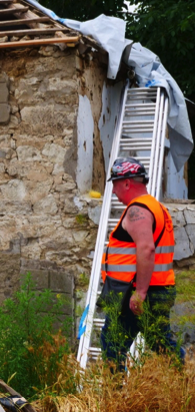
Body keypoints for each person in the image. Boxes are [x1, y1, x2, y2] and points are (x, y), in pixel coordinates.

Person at [100, 157, 184, 368]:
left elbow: (146, 249)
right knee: (162, 343)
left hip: (138, 293)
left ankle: (115, 395)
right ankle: (185, 381)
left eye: (115, 183)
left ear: (127, 183)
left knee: (112, 342)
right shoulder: (156, 208)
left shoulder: (138, 211)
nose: (113, 190)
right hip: (157, 289)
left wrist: (140, 293)